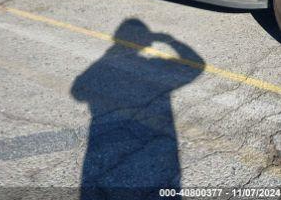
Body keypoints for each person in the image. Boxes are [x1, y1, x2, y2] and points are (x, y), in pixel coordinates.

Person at [71, 19, 205, 198]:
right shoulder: (153, 64)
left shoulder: (100, 66)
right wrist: (170, 40)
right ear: (146, 42)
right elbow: (196, 66)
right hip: (151, 151)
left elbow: (77, 92)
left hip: (105, 146)